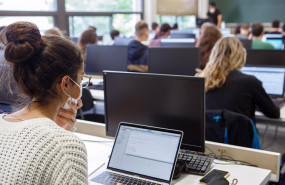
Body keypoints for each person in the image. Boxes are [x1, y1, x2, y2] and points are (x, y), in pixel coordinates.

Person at [0, 22, 88, 183]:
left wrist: (59, 131)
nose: (82, 83)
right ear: (66, 84)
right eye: (81, 78)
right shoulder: (65, 146)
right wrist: (61, 137)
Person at [196, 37, 280, 122]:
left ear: (213, 55)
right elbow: (274, 113)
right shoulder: (250, 82)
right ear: (241, 56)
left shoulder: (199, 80)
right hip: (240, 135)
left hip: (206, 135)